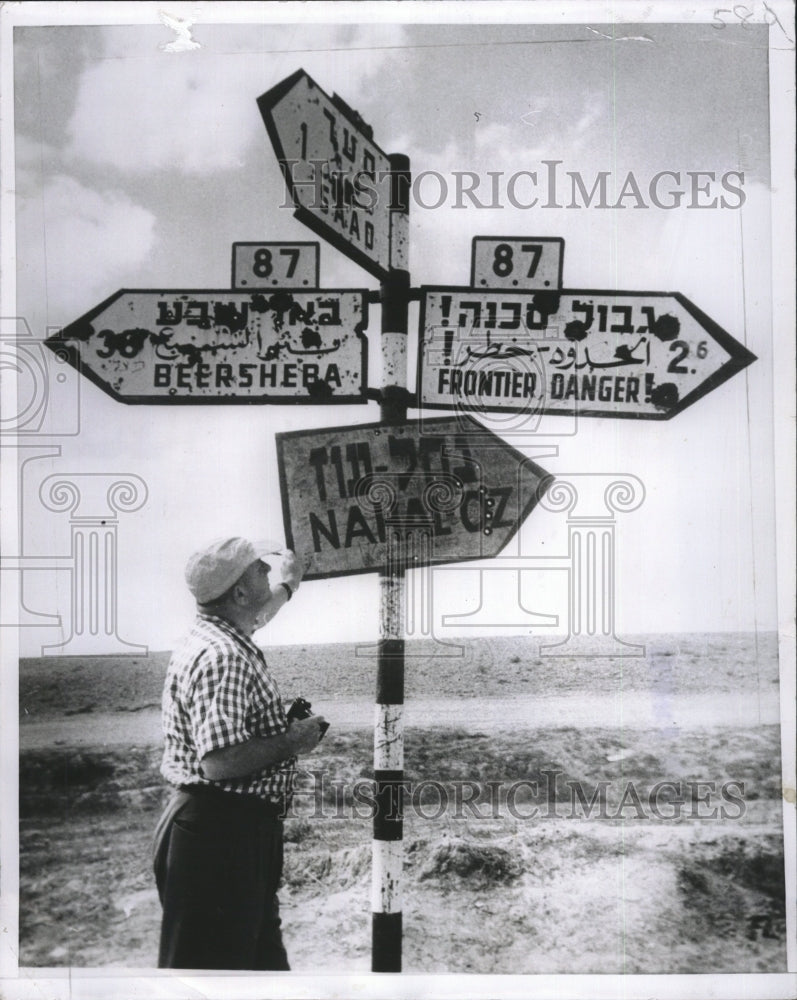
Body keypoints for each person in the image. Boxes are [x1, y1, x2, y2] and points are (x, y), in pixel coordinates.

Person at [153, 536, 326, 970]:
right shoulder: (224, 657)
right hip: (221, 835)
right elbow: (219, 762)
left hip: (219, 829)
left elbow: (257, 615)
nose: (267, 571)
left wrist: (289, 587)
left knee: (254, 967)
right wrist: (293, 740)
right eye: (258, 568)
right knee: (217, 977)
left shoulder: (217, 631)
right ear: (240, 593)